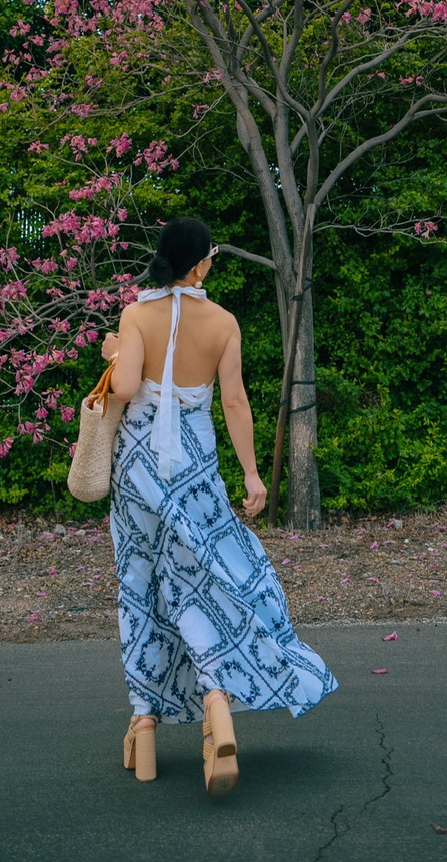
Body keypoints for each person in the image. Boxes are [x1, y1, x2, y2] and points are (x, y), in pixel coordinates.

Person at [101, 217, 338, 797]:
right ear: (202, 263)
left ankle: (146, 725)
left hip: (138, 472)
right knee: (199, 583)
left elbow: (126, 387)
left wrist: (112, 350)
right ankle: (216, 699)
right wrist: (253, 476)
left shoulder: (135, 314)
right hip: (195, 474)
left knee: (141, 584)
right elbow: (233, 401)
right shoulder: (224, 323)